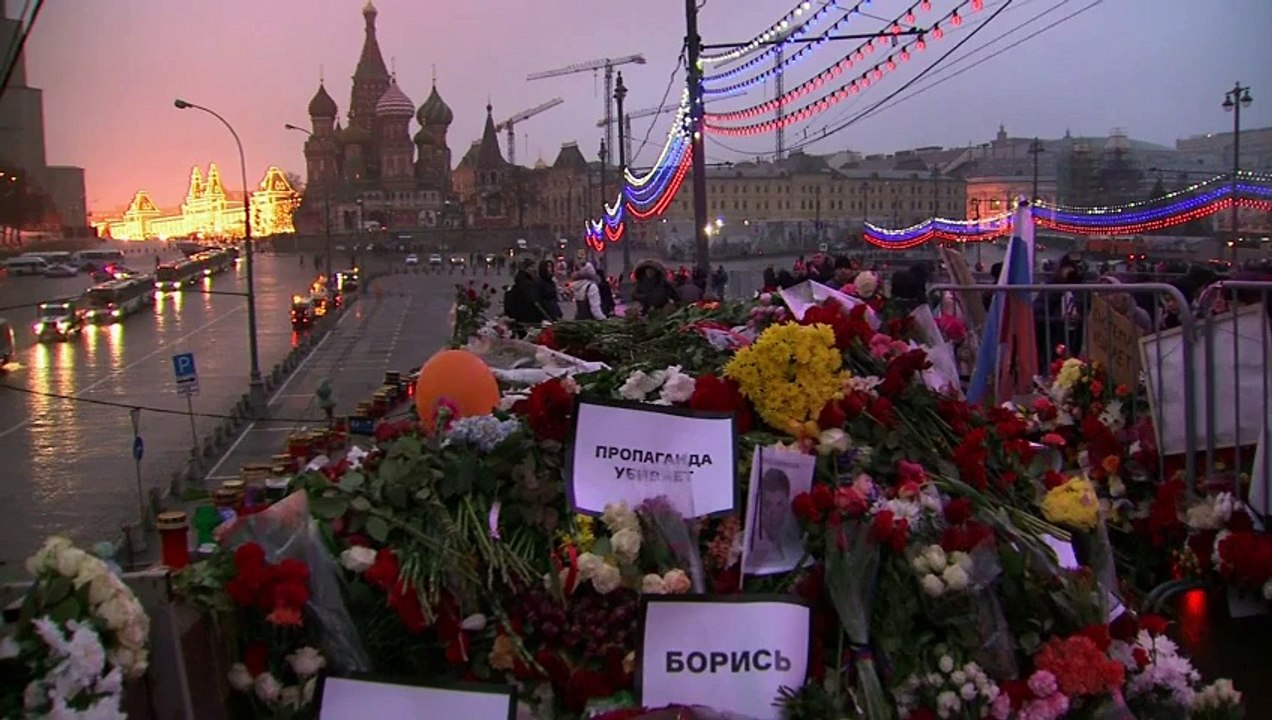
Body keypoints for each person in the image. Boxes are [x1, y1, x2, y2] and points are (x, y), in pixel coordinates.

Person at [746, 468, 802, 572]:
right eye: (767, 505)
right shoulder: (749, 544)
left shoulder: (795, 540)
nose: (774, 513)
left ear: (786, 505)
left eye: (779, 504)